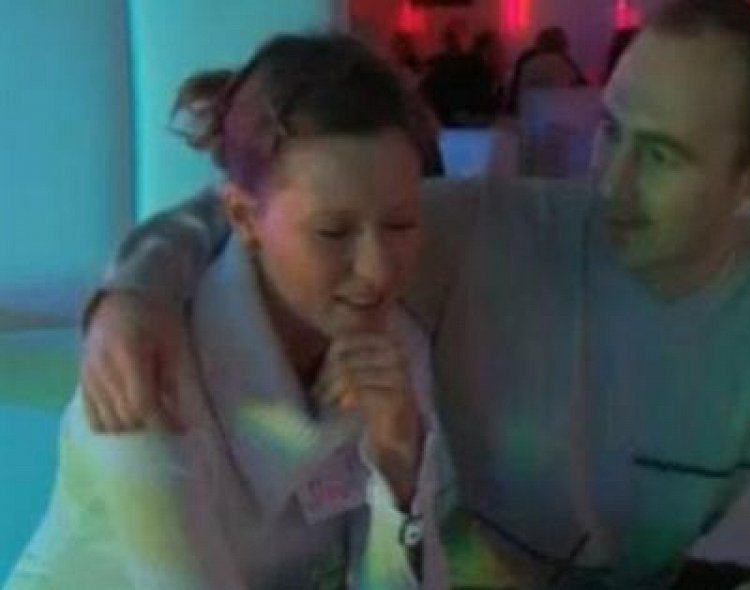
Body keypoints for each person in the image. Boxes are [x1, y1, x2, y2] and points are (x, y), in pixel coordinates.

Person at [78, 1, 750, 588]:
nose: (611, 178)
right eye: (611, 130)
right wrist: (138, 288)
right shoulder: (492, 229)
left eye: (662, 155)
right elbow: (277, 205)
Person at [6, 34, 446, 590]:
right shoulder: (151, 369)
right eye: (334, 232)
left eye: (401, 224)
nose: (377, 270)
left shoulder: (396, 346)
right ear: (242, 217)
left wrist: (399, 464)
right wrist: (132, 290)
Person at [421, 24, 498, 127]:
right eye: (451, 37)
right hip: (461, 121)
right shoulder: (474, 67)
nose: (454, 42)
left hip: (454, 120)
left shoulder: (471, 65)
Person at [505, 26, 588, 114]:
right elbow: (583, 89)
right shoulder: (565, 64)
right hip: (556, 113)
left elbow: (514, 91)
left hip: (527, 112)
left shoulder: (526, 61)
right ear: (562, 45)